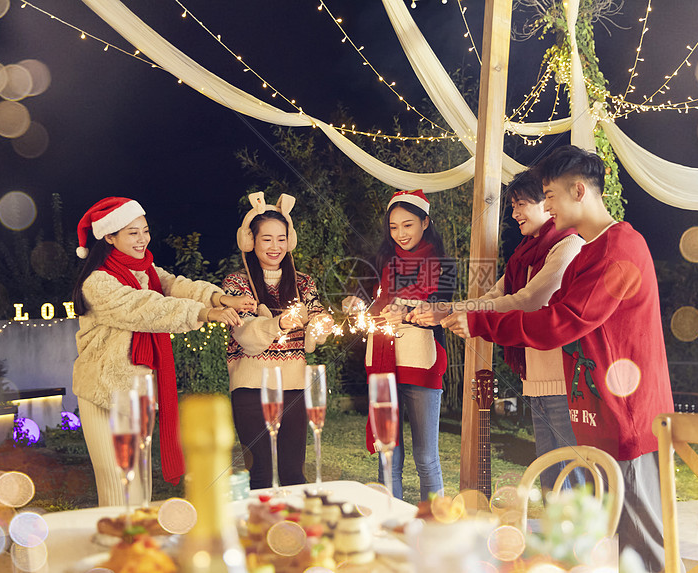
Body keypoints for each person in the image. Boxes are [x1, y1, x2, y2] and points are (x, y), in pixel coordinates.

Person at [442, 145, 673, 572]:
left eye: (549, 196)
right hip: (598, 412)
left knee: (639, 547)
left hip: (629, 418)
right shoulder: (588, 251)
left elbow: (557, 323)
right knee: (601, 541)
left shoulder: (619, 249)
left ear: (579, 191)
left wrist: (481, 325)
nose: (546, 206)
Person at [409, 169, 586, 492]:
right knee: (549, 475)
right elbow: (494, 298)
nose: (514, 213)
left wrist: (465, 316)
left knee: (568, 475)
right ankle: (555, 541)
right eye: (513, 205)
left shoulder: (568, 246)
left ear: (546, 203)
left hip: (563, 378)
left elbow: (529, 300)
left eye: (521, 204)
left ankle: (581, 542)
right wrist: (449, 309)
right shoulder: (524, 255)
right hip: (535, 377)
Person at [71, 196, 254, 506]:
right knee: (119, 488)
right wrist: (203, 313)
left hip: (140, 390)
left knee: (141, 487)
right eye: (133, 232)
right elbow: (146, 308)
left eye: (145, 230)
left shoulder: (147, 271)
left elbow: (176, 286)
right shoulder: (98, 282)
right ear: (109, 236)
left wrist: (219, 299)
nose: (143, 239)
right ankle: (120, 549)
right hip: (104, 393)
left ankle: (139, 550)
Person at [343, 189, 452, 500]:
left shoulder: (441, 264)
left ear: (425, 222)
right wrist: (355, 302)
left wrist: (406, 313)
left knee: (425, 456)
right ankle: (390, 521)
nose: (401, 234)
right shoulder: (381, 260)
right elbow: (366, 296)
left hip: (421, 363)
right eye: (393, 227)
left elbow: (441, 307)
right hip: (382, 361)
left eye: (408, 225)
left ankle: (434, 524)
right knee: (388, 453)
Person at [222, 192, 334, 489]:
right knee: (260, 473)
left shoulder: (303, 282)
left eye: (281, 238)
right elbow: (245, 335)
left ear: (290, 240)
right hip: (250, 388)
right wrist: (280, 323)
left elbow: (315, 320)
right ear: (250, 241)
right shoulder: (236, 284)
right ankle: (259, 533)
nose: (275, 247)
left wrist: (322, 325)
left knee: (293, 474)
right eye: (267, 239)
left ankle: (295, 533)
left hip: (294, 388)